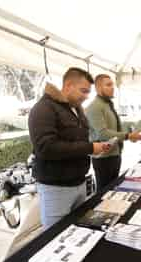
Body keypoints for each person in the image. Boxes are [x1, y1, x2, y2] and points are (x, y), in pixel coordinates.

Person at [28, 67, 110, 230]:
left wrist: (95, 148)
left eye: (88, 92)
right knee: (55, 237)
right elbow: (46, 147)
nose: (86, 97)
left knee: (77, 232)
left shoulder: (77, 110)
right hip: (56, 188)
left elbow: (76, 141)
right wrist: (89, 147)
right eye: (83, 91)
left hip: (79, 184)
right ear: (68, 85)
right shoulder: (43, 108)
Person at [86, 74, 141, 191]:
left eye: (112, 84)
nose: (112, 87)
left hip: (115, 155)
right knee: (104, 193)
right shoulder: (94, 107)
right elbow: (102, 133)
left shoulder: (107, 105)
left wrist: (130, 131)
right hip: (103, 158)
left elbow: (115, 128)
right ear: (98, 88)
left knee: (113, 189)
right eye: (108, 85)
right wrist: (128, 135)